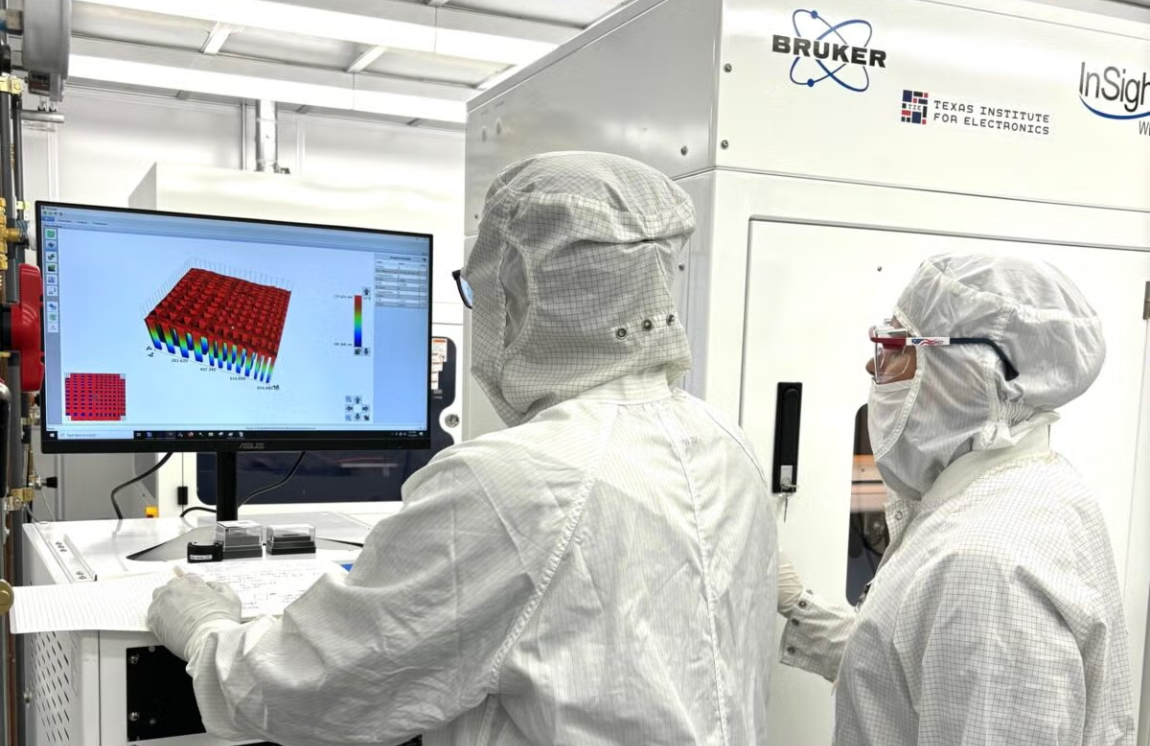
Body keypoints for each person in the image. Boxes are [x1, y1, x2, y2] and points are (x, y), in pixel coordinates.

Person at [148, 152, 779, 746]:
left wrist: (204, 627)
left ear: (521, 296)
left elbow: (314, 687)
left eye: (480, 293)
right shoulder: (727, 442)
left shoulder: (509, 478)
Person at [777, 254, 1136, 745]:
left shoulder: (985, 565)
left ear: (969, 370)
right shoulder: (1027, 488)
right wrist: (800, 606)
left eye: (895, 346)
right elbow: (918, 672)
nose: (873, 364)